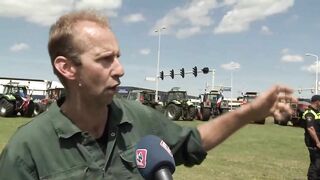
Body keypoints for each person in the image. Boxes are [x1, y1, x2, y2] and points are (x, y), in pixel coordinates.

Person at [0, 10, 295, 179]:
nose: (120, 69)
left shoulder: (139, 118)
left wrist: (248, 113)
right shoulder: (26, 151)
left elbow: (192, 143)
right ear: (67, 68)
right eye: (105, 59)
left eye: (118, 57)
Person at [302, 95, 320, 179]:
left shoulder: (317, 112)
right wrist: (317, 142)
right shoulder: (309, 113)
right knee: (316, 164)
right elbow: (310, 128)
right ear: (317, 102)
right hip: (313, 143)